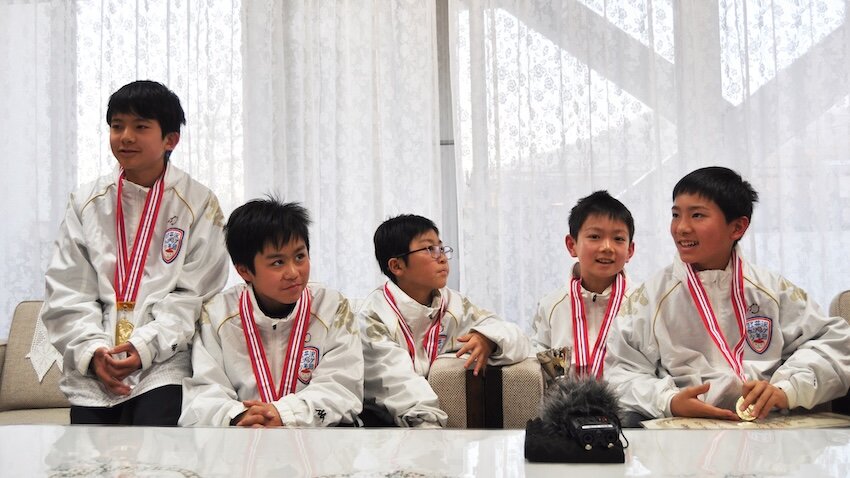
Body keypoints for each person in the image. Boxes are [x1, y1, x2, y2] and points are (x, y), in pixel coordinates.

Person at [39, 80, 230, 425]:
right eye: (117, 126)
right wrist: (92, 351)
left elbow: (194, 297)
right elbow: (68, 290)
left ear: (170, 139)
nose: (125, 137)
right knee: (87, 451)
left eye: (140, 127)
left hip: (165, 363)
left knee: (155, 439)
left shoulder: (199, 203)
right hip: (97, 362)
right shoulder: (86, 202)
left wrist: (144, 347)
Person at [605, 166, 850, 425]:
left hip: (769, 426)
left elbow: (835, 345)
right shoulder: (651, 297)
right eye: (676, 215)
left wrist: (786, 389)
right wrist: (669, 401)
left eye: (697, 215)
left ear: (737, 227)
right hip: (683, 428)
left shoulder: (771, 290)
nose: (681, 228)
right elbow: (621, 372)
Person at [179, 199, 363, 427]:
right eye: (278, 262)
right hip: (245, 435)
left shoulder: (332, 307)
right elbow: (204, 392)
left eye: (300, 257)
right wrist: (238, 416)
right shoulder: (216, 315)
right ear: (244, 271)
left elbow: (343, 387)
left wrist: (284, 414)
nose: (293, 272)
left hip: (316, 434)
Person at [358, 214, 531, 427]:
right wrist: (434, 436)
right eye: (429, 249)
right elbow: (398, 386)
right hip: (385, 426)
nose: (442, 258)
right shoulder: (374, 317)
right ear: (397, 266)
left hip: (434, 422)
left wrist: (488, 339)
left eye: (441, 248)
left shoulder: (453, 304)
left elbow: (518, 338)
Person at [531, 191, 635, 379]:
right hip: (567, 397)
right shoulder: (552, 306)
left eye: (618, 239)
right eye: (595, 236)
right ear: (572, 245)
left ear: (630, 250)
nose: (607, 247)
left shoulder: (642, 305)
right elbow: (544, 369)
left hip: (628, 398)